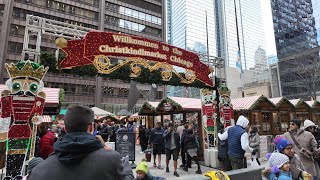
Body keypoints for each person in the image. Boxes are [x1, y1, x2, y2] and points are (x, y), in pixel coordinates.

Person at [29, 105, 133, 180]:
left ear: (65, 128)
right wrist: (128, 170)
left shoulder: (40, 169)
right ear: (91, 126)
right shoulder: (111, 159)